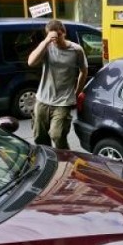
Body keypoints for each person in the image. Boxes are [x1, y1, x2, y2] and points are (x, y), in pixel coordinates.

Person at [28, 19, 87, 149]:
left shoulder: (76, 50)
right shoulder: (46, 47)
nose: (56, 39)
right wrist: (46, 41)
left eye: (58, 35)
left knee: (57, 135)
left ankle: (65, 160)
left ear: (64, 32)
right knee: (39, 137)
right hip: (42, 100)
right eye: (52, 36)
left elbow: (83, 71)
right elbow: (31, 62)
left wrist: (77, 92)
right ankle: (47, 160)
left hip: (63, 102)